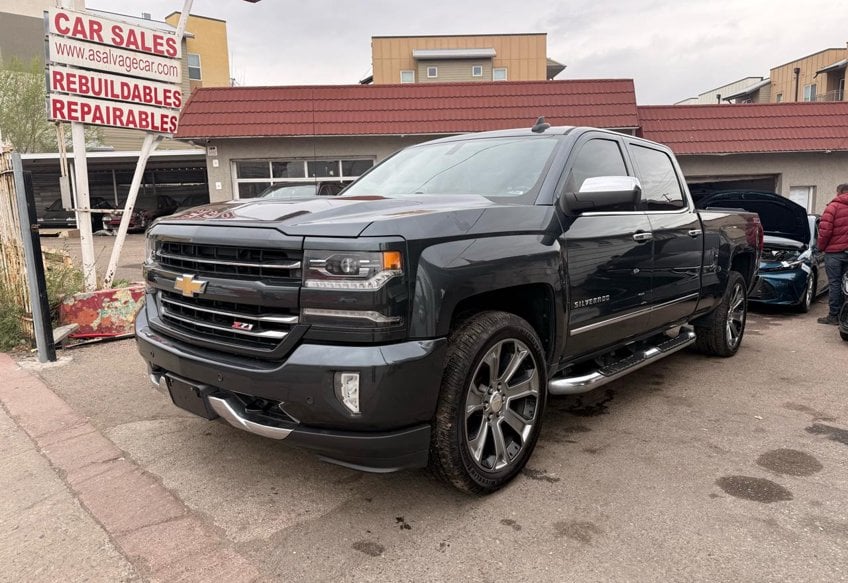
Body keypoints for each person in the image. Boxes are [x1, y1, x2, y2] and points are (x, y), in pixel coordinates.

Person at [816, 183, 848, 324]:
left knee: (835, 283)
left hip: (834, 253)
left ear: (839, 192)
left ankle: (834, 316)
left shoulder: (833, 207)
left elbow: (825, 231)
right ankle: (845, 317)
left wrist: (821, 248)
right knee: (846, 284)